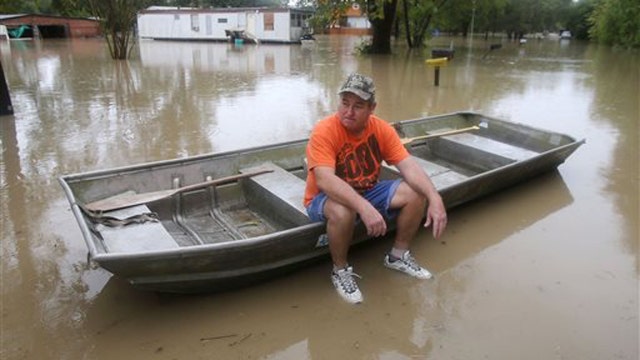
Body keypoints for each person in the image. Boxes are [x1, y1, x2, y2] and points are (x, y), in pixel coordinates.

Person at [304, 73, 448, 304]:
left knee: (416, 192)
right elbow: (324, 180)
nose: (348, 112)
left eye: (358, 106)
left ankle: (397, 256)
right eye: (344, 103)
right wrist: (364, 208)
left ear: (372, 108)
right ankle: (340, 270)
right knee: (344, 211)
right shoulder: (324, 130)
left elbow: (409, 166)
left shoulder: (381, 129)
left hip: (367, 191)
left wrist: (435, 197)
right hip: (324, 198)